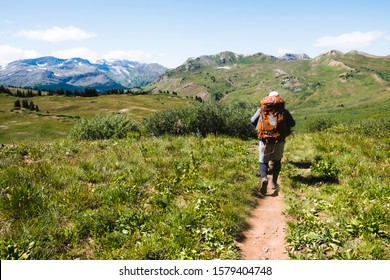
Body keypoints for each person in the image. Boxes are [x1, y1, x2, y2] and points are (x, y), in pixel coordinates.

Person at [250, 91, 295, 195]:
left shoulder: (261, 110)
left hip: (264, 140)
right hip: (278, 140)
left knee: (263, 161)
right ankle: (274, 182)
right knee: (277, 161)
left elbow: (252, 120)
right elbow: (292, 123)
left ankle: (264, 178)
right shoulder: (283, 111)